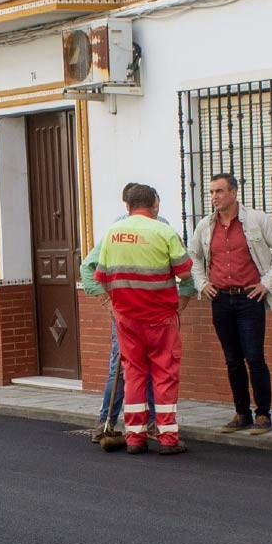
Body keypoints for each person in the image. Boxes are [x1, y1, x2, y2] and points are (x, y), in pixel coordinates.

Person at [81, 183, 191, 441]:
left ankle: (135, 437)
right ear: (154, 203)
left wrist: (113, 304)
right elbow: (185, 274)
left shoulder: (113, 233)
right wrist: (179, 302)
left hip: (128, 320)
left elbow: (99, 274)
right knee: (163, 374)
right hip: (160, 319)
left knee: (134, 376)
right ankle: (166, 437)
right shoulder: (164, 230)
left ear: (128, 206)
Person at [188, 172, 272, 436]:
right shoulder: (206, 225)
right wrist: (202, 283)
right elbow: (194, 256)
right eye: (211, 192)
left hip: (249, 298)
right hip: (220, 298)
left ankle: (263, 414)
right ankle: (241, 412)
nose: (214, 197)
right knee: (232, 359)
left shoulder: (255, 220)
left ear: (233, 193)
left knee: (254, 357)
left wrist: (266, 283)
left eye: (219, 191)